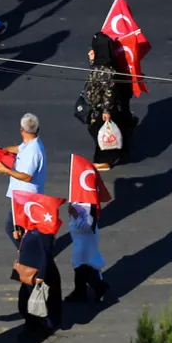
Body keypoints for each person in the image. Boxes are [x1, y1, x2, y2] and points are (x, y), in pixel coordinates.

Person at [84, 32, 137, 170]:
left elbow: (109, 91)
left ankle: (104, 161)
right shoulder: (103, 63)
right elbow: (96, 73)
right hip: (99, 107)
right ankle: (118, 152)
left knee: (102, 132)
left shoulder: (108, 70)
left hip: (104, 108)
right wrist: (91, 60)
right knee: (103, 131)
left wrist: (107, 110)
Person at [0, 113, 47, 245]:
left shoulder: (34, 150)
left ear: (22, 130)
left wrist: (5, 170)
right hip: (21, 195)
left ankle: (28, 255)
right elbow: (19, 149)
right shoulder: (31, 143)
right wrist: (1, 151)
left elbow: (27, 177)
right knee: (22, 228)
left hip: (25, 197)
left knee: (13, 228)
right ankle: (30, 252)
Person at [13, 227, 62, 330]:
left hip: (35, 272)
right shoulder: (29, 229)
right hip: (27, 270)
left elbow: (45, 255)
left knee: (37, 300)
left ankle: (42, 321)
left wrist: (41, 275)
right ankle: (33, 320)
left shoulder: (43, 231)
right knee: (26, 299)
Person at [65, 202, 109, 302]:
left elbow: (87, 227)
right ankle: (80, 291)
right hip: (79, 240)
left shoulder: (90, 206)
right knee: (79, 266)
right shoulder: (77, 200)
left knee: (81, 267)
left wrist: (75, 215)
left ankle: (99, 286)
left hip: (85, 242)